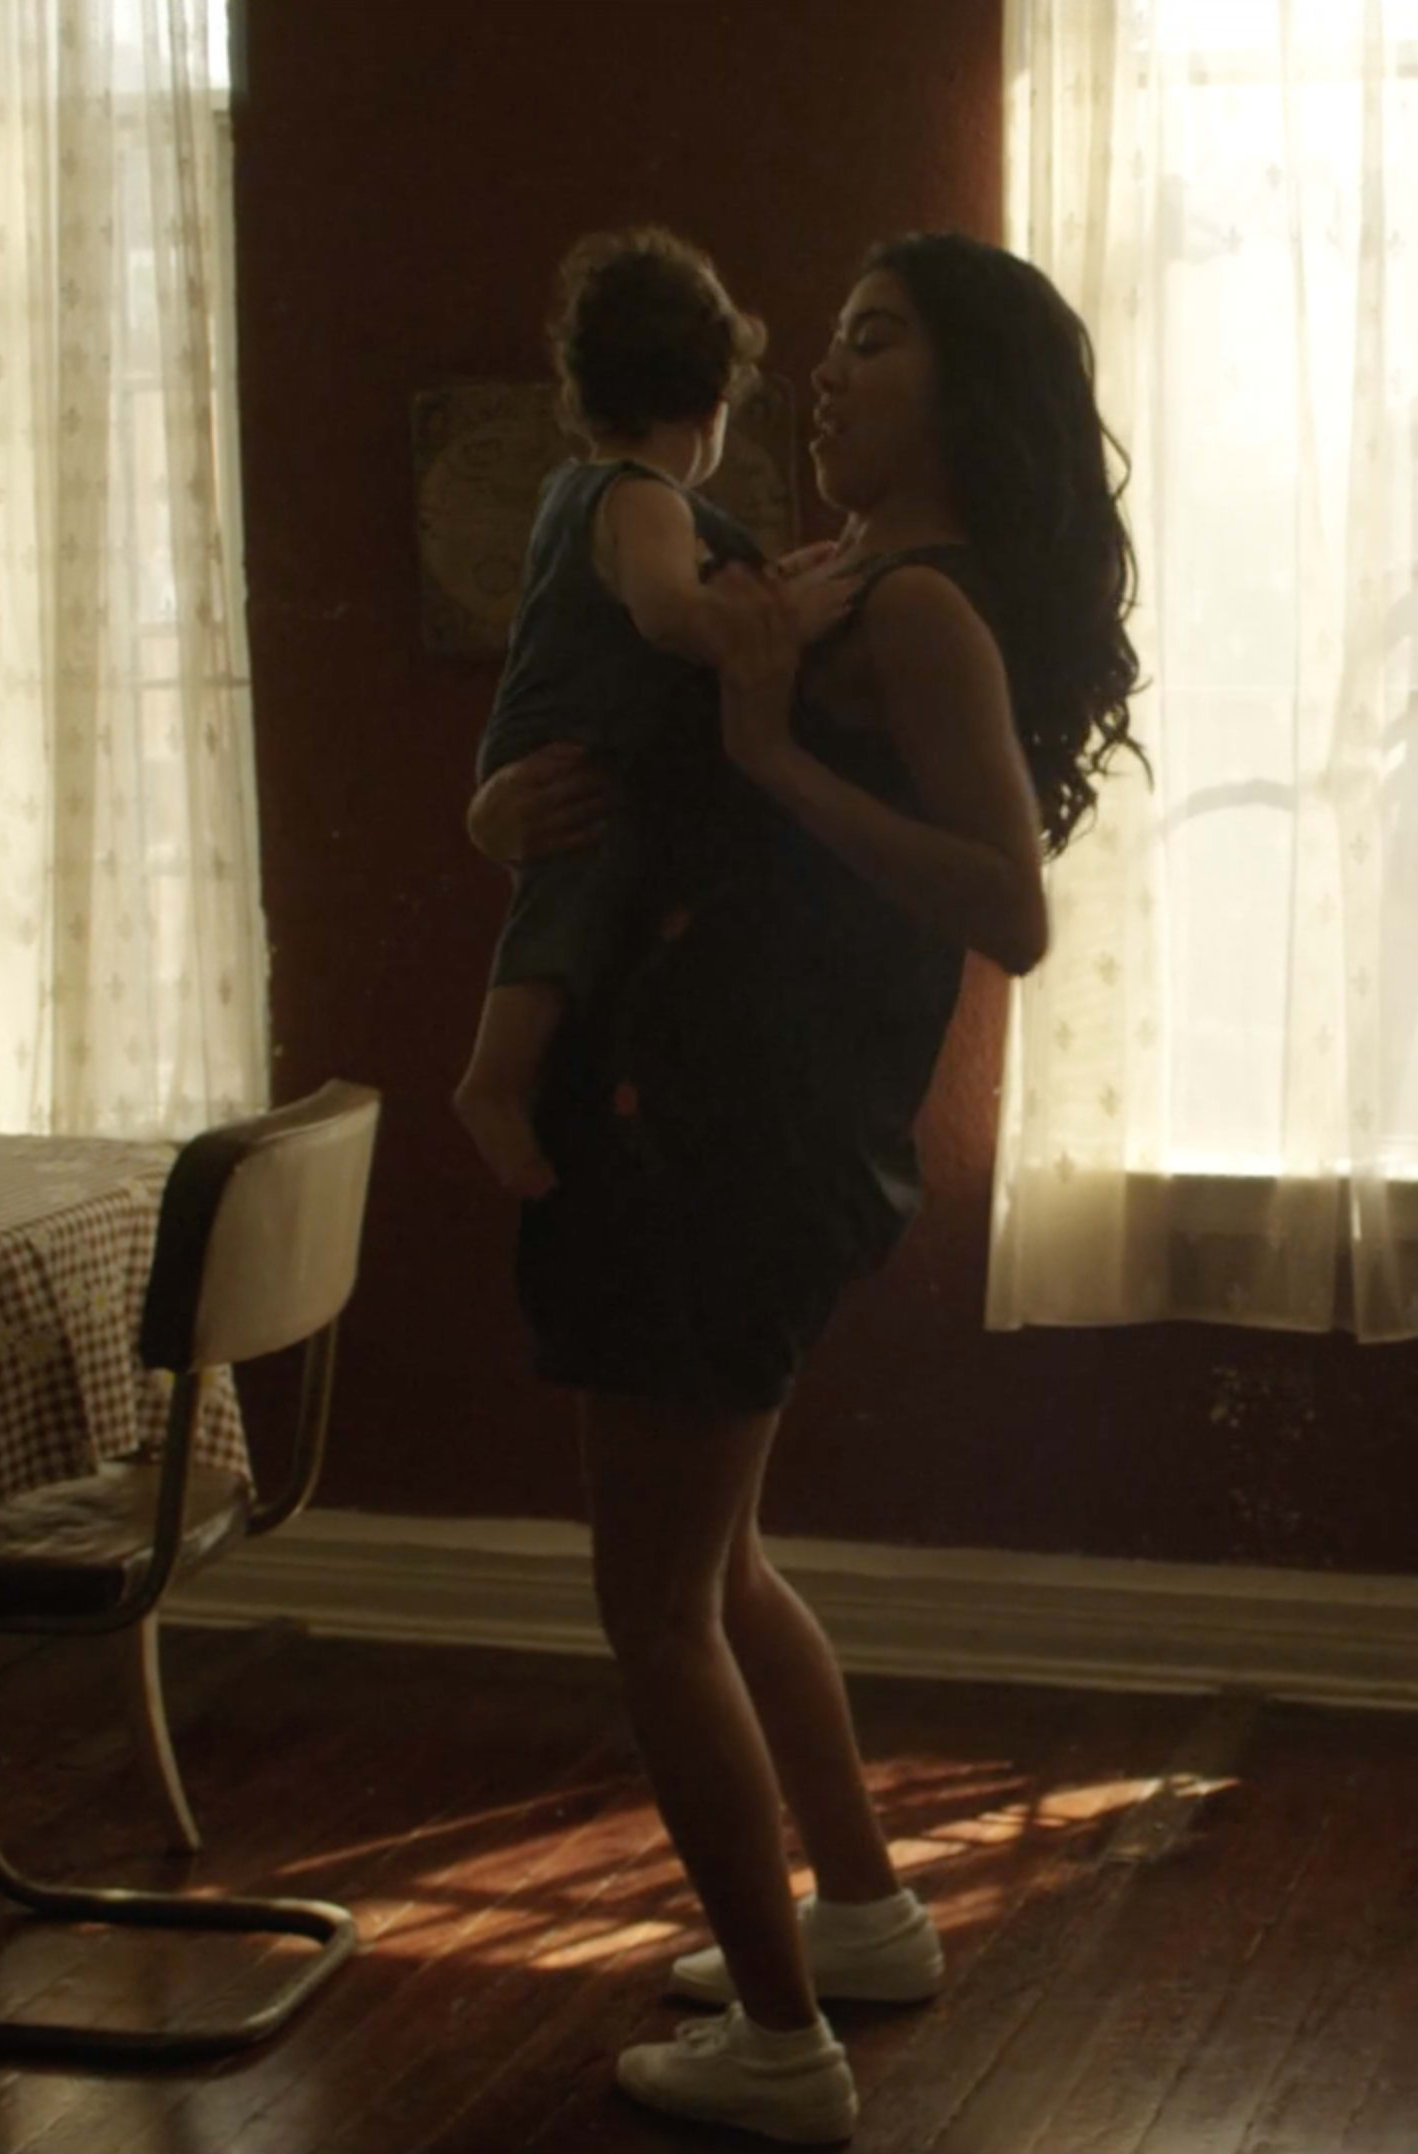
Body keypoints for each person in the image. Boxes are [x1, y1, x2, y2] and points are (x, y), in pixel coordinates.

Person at [461, 232, 1142, 2145]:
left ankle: (779, 2045)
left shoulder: (917, 607)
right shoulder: (829, 582)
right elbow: (618, 776)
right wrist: (499, 805)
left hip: (724, 1132)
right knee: (721, 1565)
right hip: (724, 1113)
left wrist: (764, 747)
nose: (828, 373)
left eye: (874, 340)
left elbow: (1009, 907)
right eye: (827, 341)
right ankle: (861, 1918)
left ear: (965, 384)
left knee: (654, 1601)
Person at [452, 228, 833, 1199]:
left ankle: (500, 1082)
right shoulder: (646, 500)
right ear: (709, 404)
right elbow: (670, 615)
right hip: (577, 752)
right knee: (564, 910)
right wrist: (766, 627)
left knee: (561, 912)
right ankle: (492, 1086)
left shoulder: (579, 491)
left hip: (552, 740)